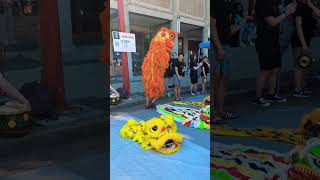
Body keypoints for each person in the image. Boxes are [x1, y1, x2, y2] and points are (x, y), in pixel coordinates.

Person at [252, 0, 297, 106]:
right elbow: (273, 21)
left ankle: (271, 94)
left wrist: (288, 8)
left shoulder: (272, 3)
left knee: (275, 68)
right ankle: (258, 97)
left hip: (274, 39)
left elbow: (278, 15)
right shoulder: (262, 3)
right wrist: (287, 13)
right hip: (265, 41)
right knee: (265, 70)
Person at [211, 0, 237, 120]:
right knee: (214, 80)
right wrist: (219, 47)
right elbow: (212, 26)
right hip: (215, 46)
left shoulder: (228, 6)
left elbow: (229, 30)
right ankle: (212, 114)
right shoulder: (215, 3)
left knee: (223, 80)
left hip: (225, 45)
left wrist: (243, 22)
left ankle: (220, 112)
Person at [291, 0, 320, 97]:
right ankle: (298, 89)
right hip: (299, 39)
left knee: (305, 64)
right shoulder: (297, 7)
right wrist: (303, 45)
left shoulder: (308, 6)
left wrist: (311, 4)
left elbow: (318, 14)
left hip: (307, 38)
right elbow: (298, 27)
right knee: (299, 64)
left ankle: (303, 86)